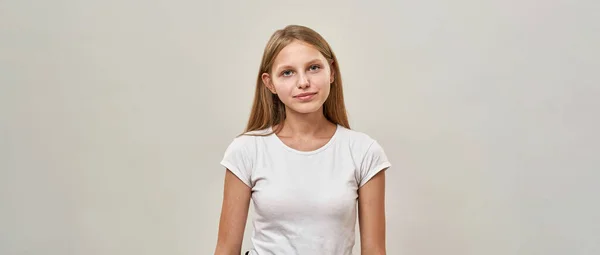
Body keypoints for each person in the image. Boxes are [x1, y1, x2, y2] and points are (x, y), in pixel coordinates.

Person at [214, 25, 391, 255]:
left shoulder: (363, 152)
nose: (303, 82)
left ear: (332, 72)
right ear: (270, 83)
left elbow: (375, 251)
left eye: (314, 68)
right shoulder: (247, 150)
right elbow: (226, 249)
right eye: (287, 72)